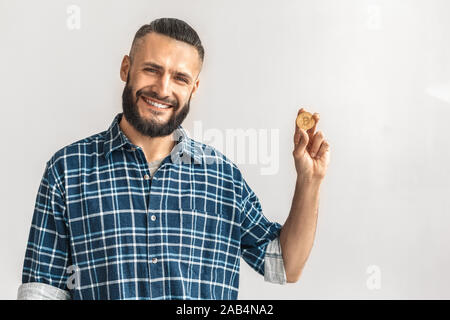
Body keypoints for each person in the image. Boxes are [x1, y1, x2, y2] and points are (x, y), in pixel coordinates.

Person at [17, 17, 330, 300]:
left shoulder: (221, 177)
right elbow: (42, 292)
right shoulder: (69, 169)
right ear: (126, 68)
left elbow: (285, 266)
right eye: (152, 69)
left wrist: (310, 179)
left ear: (194, 88)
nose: (162, 89)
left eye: (180, 78)